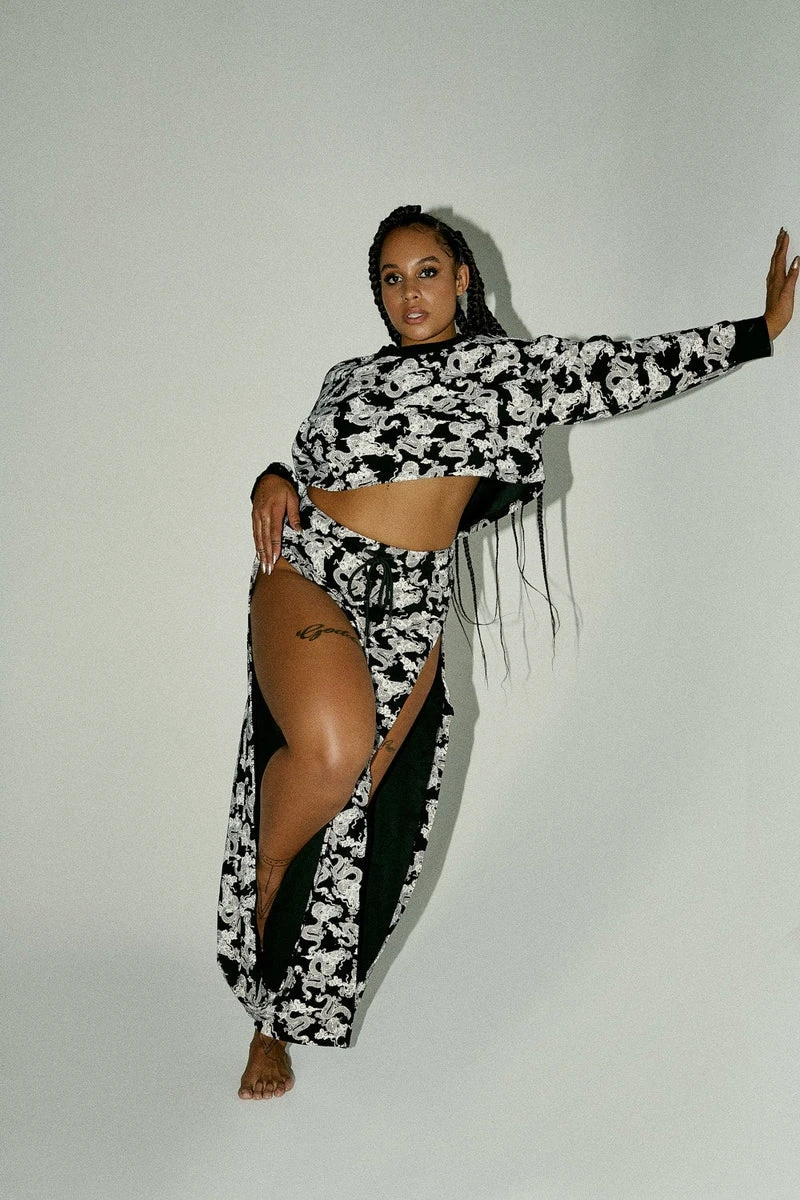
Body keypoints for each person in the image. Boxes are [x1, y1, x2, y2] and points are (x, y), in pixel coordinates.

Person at [218, 207, 797, 1100]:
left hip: (408, 603)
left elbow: (623, 368)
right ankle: (262, 874)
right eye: (391, 278)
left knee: (355, 813)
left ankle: (272, 1021)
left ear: (460, 278)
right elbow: (306, 468)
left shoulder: (510, 375)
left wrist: (756, 332)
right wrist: (272, 474)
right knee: (329, 756)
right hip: (312, 570)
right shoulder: (348, 378)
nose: (410, 292)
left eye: (426, 271)